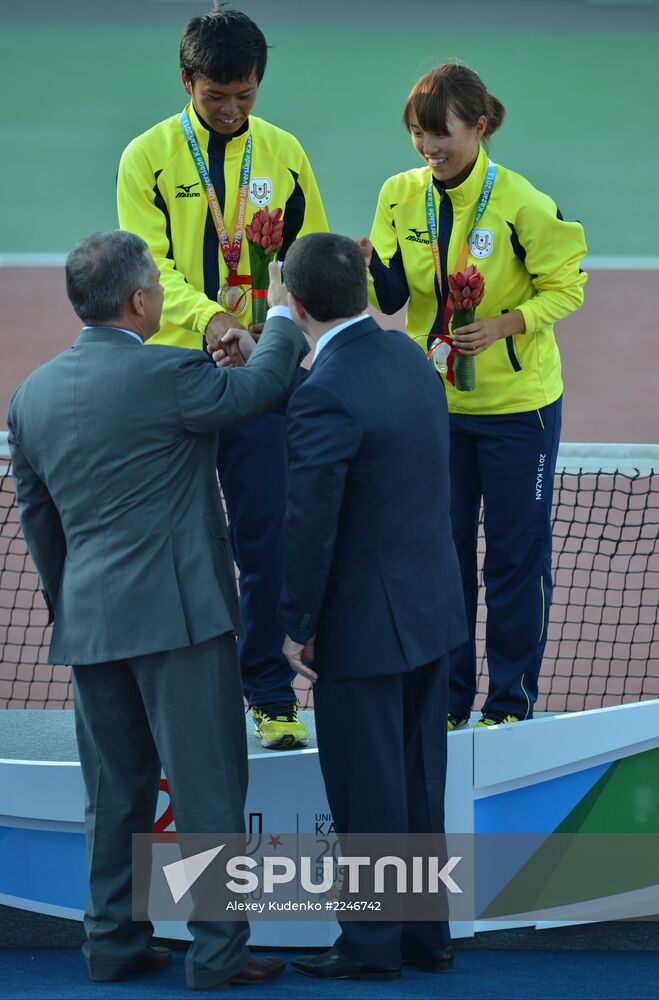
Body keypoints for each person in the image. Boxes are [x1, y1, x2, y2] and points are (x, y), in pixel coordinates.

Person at [6, 230, 309, 990]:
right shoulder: (169, 374)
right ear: (142, 300)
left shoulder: (30, 396)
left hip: (90, 623)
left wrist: (72, 603)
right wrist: (278, 318)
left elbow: (40, 525)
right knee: (206, 790)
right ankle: (216, 956)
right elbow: (262, 389)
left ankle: (110, 945)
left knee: (114, 794)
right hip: (180, 621)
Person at [233, 232, 466, 981]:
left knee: (367, 793)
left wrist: (295, 627)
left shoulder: (325, 391)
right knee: (418, 781)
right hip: (432, 612)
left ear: (290, 302)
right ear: (363, 285)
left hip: (363, 631)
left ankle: (368, 948)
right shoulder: (405, 357)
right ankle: (424, 936)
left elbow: (308, 524)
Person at [117, 4, 328, 750]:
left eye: (245, 94)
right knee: (164, 544)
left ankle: (269, 696)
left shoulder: (285, 154)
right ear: (186, 82)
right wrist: (213, 321)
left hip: (257, 376)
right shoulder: (147, 156)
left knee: (265, 534)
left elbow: (305, 268)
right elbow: (148, 269)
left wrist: (279, 337)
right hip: (172, 372)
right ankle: (159, 700)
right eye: (216, 96)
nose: (232, 110)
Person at [357, 63, 587, 729]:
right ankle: (448, 701)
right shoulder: (399, 196)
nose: (428, 148)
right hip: (438, 412)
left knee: (515, 560)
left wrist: (507, 323)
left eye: (441, 134)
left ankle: (509, 703)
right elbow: (392, 300)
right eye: (417, 135)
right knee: (443, 560)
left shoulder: (522, 204)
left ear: (479, 127)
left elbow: (568, 287)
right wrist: (368, 269)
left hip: (521, 411)